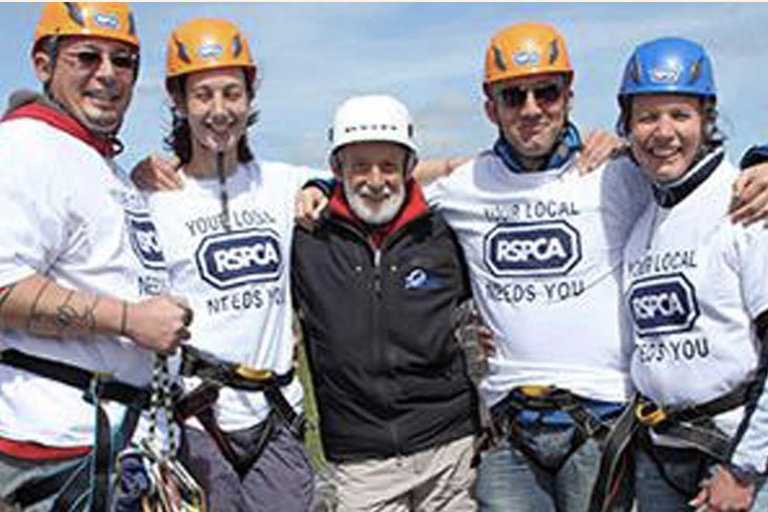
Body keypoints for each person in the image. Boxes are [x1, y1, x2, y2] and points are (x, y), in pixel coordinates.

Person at [0, 2, 191, 511]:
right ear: (44, 64)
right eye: (87, 57)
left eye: (123, 60)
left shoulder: (97, 162)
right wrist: (131, 320)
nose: (107, 74)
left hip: (123, 443)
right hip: (64, 450)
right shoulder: (24, 148)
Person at [146, 18, 317, 512]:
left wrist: (467, 169)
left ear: (249, 96)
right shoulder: (152, 199)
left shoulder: (282, 183)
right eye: (203, 96)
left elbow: (376, 175)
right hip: (195, 419)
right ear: (178, 100)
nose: (219, 111)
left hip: (274, 415)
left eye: (232, 94)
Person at [292, 94, 480, 511]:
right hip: (361, 462)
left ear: (410, 168)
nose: (375, 181)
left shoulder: (445, 230)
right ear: (336, 169)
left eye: (388, 166)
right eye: (360, 166)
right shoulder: (306, 239)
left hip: (450, 451)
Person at [616, 37, 768, 512]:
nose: (663, 132)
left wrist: (744, 468)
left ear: (707, 119)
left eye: (679, 115)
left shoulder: (747, 206)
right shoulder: (642, 222)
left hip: (733, 460)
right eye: (647, 117)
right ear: (627, 127)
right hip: (661, 455)